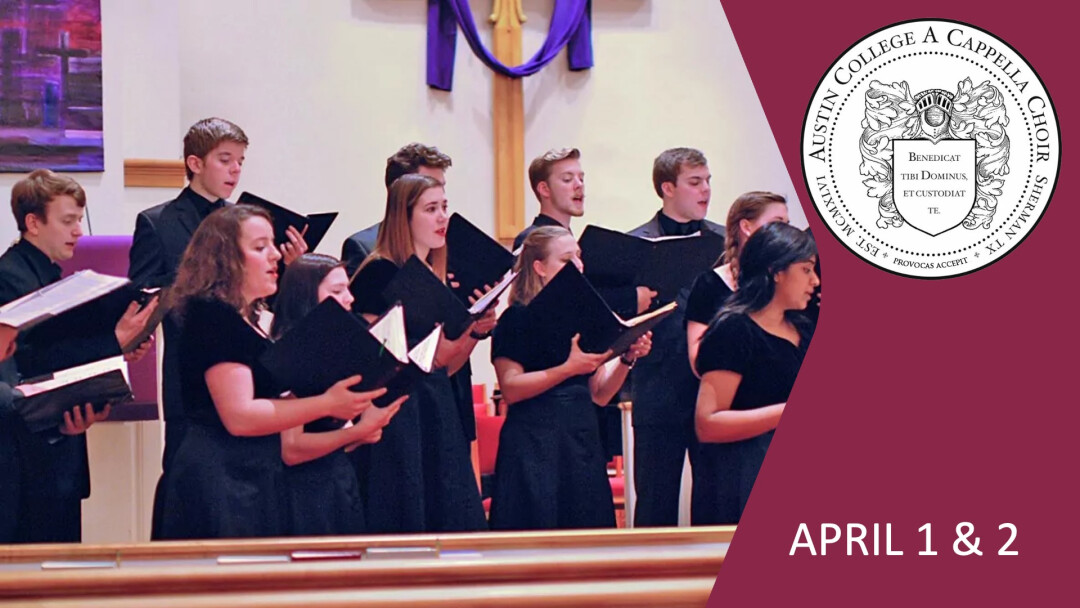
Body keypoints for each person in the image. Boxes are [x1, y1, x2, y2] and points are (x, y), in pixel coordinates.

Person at [128, 117, 306, 538]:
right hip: (190, 368)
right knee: (191, 484)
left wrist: (291, 269)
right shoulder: (158, 222)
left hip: (246, 358)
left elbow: (265, 302)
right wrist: (200, 289)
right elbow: (145, 297)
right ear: (194, 162)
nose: (235, 170)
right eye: (225, 160)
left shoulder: (245, 221)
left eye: (240, 161)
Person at [157, 205, 378, 539]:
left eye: (272, 245)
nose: (276, 255)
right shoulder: (213, 317)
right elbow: (240, 415)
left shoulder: (245, 318)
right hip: (222, 480)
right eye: (260, 247)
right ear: (225, 258)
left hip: (250, 473)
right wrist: (327, 404)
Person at [0, 170, 153, 543]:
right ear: (33, 223)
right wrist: (111, 342)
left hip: (57, 453)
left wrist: (117, 354)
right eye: (68, 221)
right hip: (22, 467)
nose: (79, 232)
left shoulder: (53, 277)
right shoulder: (9, 277)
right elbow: (30, 366)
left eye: (80, 220)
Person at [350, 173, 492, 533]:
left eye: (444, 207)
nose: (443, 217)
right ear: (404, 217)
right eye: (431, 209)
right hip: (398, 414)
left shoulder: (436, 273)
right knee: (407, 515)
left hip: (435, 404)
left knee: (448, 515)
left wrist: (475, 329)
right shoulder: (378, 272)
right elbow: (373, 356)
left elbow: (449, 365)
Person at [490, 226, 651, 530]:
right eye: (566, 259)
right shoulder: (517, 317)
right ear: (539, 267)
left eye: (579, 256)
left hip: (581, 439)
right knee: (537, 531)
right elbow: (511, 388)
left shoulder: (585, 315)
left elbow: (600, 394)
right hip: (534, 442)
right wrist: (567, 368)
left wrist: (626, 359)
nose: (578, 265)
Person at [693, 222, 818, 524]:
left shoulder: (803, 326)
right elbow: (707, 424)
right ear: (776, 272)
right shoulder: (734, 329)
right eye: (806, 270)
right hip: (744, 474)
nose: (814, 281)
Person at [270, 253, 403, 536]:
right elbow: (291, 448)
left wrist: (368, 423)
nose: (350, 298)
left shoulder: (333, 347)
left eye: (347, 288)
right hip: (303, 494)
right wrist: (357, 433)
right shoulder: (289, 350)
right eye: (337, 291)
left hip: (338, 478)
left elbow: (336, 436)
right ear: (307, 295)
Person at [627, 147, 724, 527]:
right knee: (655, 502)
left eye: (708, 181)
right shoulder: (635, 245)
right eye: (695, 182)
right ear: (667, 188)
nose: (706, 190)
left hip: (712, 389)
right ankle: (645, 584)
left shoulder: (723, 243)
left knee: (716, 499)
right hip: (657, 387)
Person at [686, 192, 789, 370]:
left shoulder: (789, 281)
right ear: (746, 227)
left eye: (787, 225)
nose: (786, 233)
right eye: (777, 223)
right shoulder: (710, 285)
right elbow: (698, 362)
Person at [341, 143, 453, 278]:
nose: (443, 217)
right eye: (427, 183)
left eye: (444, 206)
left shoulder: (440, 245)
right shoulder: (376, 263)